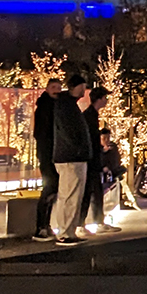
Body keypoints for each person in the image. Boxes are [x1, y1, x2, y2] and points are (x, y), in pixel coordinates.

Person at [50, 78, 94, 242]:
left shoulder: (66, 104)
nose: (84, 91)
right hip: (71, 158)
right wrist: (78, 148)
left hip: (71, 156)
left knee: (71, 196)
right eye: (82, 87)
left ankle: (68, 231)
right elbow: (69, 131)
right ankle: (65, 233)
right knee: (70, 196)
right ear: (74, 87)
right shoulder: (66, 106)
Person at [31, 78, 64, 235]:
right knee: (49, 187)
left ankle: (46, 225)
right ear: (47, 88)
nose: (57, 90)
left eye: (59, 87)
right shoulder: (44, 107)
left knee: (53, 188)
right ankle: (41, 226)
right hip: (47, 154)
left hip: (54, 153)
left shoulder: (57, 106)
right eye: (53, 87)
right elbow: (41, 133)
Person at [81, 86, 109, 232]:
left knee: (95, 191)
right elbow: (90, 139)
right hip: (91, 160)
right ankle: (83, 223)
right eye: (105, 98)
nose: (107, 101)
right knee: (89, 192)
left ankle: (95, 221)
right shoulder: (90, 116)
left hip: (91, 159)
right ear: (99, 99)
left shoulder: (91, 114)